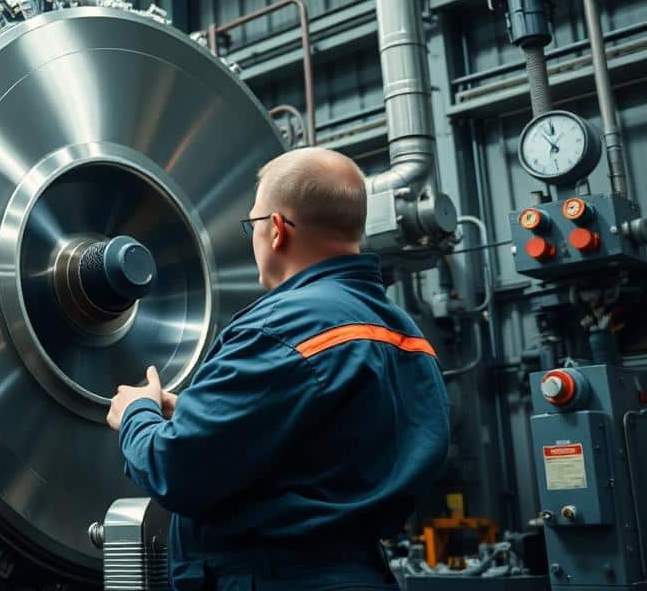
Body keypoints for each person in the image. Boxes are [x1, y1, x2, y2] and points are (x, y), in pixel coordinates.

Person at [107, 147, 449, 590]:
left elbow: (175, 471)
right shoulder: (405, 334)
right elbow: (312, 445)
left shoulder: (281, 328)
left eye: (253, 223)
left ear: (276, 229)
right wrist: (197, 413)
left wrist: (138, 414)